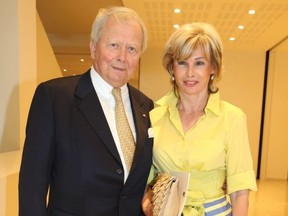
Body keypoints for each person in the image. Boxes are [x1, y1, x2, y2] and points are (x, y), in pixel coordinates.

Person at [19, 6, 154, 216]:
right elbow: (32, 187)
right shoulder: (54, 98)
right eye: (114, 45)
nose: (122, 56)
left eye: (132, 49)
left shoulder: (146, 106)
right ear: (93, 48)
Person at [142, 22, 257, 215]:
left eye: (199, 63)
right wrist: (147, 200)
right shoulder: (154, 116)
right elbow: (147, 178)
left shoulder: (233, 118)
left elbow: (240, 193)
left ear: (213, 67)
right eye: (182, 63)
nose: (190, 73)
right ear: (172, 68)